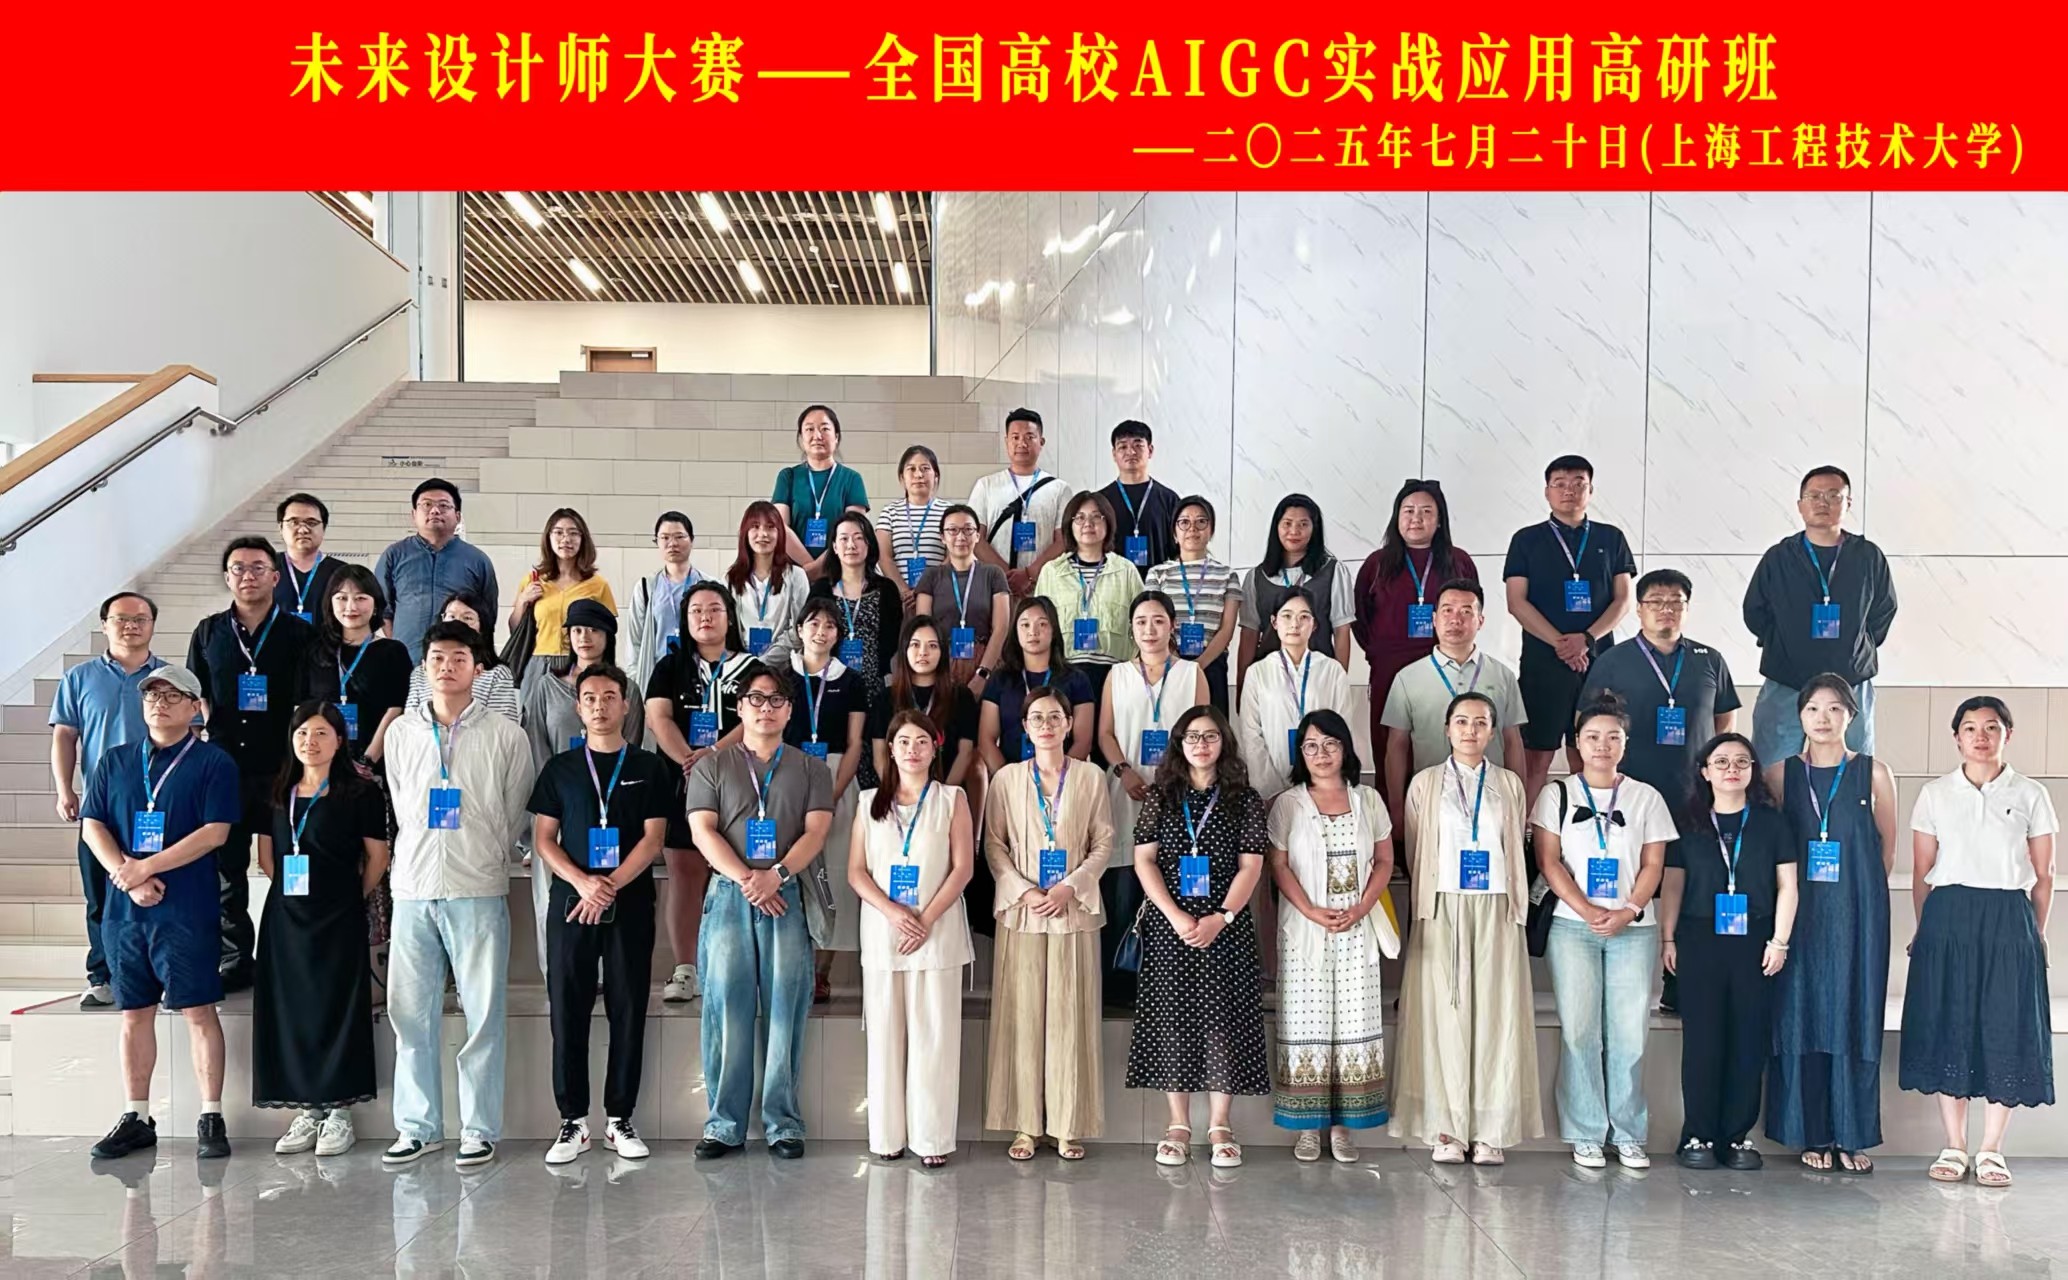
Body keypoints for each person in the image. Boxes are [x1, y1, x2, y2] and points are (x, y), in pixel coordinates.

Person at [380, 620, 533, 1169]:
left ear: (478, 667)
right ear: (424, 668)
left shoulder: (505, 735)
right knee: (409, 1014)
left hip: (477, 885)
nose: (447, 667)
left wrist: (486, 851)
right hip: (414, 887)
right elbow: (401, 803)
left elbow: (515, 808)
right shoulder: (401, 733)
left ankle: (478, 1128)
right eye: (438, 658)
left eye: (459, 658)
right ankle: (417, 1127)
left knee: (483, 1013)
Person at [80, 664, 241, 1161]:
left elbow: (215, 832)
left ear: (195, 708)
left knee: (198, 1010)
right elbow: (92, 824)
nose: (160, 704)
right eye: (152, 695)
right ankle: (136, 1116)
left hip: (186, 910)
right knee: (134, 1013)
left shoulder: (214, 762)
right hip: (125, 913)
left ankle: (211, 1115)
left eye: (173, 696)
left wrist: (146, 867)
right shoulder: (115, 760)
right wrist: (126, 876)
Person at [1902, 696, 2057, 1189]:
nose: (1981, 736)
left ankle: (1991, 1149)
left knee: (2005, 1024)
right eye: (1970, 728)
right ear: (1956, 738)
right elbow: (1922, 871)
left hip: (2009, 916)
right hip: (1947, 916)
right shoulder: (1935, 794)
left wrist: (2036, 933)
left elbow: (2045, 874)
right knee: (1950, 1021)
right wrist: (1924, 930)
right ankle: (1954, 1144)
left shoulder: (2030, 793)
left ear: (2008, 734)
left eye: (1992, 727)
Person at [687, 662, 836, 1160]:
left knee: (785, 1009)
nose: (765, 708)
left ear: (790, 710)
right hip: (731, 895)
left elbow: (817, 831)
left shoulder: (812, 769)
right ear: (739, 707)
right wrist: (749, 879)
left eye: (776, 700)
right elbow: (702, 831)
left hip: (786, 894)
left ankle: (783, 1123)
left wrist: (777, 874)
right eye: (756, 698)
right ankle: (723, 1124)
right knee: (725, 1006)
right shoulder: (712, 765)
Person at [528, 662, 671, 1167]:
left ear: (626, 705)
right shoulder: (560, 769)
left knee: (628, 1007)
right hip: (572, 904)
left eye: (610, 696)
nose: (600, 706)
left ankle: (618, 1118)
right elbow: (544, 840)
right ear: (578, 707)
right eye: (590, 698)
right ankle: (572, 1121)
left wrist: (608, 886)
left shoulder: (649, 767)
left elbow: (653, 839)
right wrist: (584, 883)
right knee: (567, 1009)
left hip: (628, 901)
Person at [1390, 691, 1541, 1165]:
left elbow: (1515, 847)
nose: (1470, 731)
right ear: (1446, 729)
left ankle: (1490, 1130)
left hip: (1496, 906)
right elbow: (1415, 847)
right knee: (1443, 1015)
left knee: (1496, 1014)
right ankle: (1447, 1128)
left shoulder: (1509, 784)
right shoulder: (1425, 784)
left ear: (1493, 732)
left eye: (1480, 723)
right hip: (1442, 906)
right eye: (1461, 721)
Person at [1531, 690, 1678, 1170]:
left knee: (1629, 1032)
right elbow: (1549, 862)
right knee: (1580, 1031)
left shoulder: (1646, 797)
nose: (1602, 745)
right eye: (1592, 736)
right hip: (1572, 927)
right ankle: (1587, 1131)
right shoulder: (1556, 795)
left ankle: (1629, 1132)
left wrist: (1629, 910)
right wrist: (1588, 908)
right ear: (1576, 743)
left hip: (1634, 930)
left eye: (1612, 737)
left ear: (1625, 744)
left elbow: (1654, 864)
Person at [1763, 673, 1897, 1174]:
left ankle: (1851, 1134)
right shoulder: (1780, 775)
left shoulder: (1874, 773)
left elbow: (1886, 849)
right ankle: (1811, 1132)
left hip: (1857, 911)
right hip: (1800, 913)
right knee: (1801, 1011)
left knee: (1853, 1011)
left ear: (1851, 716)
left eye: (1835, 708)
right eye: (1813, 708)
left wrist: (1857, 900)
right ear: (1799, 716)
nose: (1823, 718)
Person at [1128, 704, 1270, 1169]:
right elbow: (1144, 860)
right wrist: (1174, 916)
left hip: (1226, 927)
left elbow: (1251, 866)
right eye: (1192, 737)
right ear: (1179, 744)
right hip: (1172, 927)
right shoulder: (1161, 796)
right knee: (1174, 1019)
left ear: (1224, 742)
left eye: (1210, 736)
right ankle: (1178, 1124)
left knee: (1223, 1019)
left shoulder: (1244, 799)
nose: (1201, 744)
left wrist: (1221, 917)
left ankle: (1221, 1124)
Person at [983, 685, 1114, 1160]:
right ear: (1024, 726)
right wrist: (1025, 890)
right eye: (1037, 717)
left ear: (1069, 724)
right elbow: (994, 844)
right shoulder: (1006, 779)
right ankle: (1024, 1125)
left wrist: (1069, 887)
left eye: (1055, 716)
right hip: (1022, 912)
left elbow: (1104, 841)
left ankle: (1066, 1124)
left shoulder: (1091, 777)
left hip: (1072, 911)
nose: (1046, 725)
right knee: (1022, 1019)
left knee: (1070, 1019)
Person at [253, 701, 389, 1157]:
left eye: (320, 733)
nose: (310, 742)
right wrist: (296, 899)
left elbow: (378, 858)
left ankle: (339, 1111)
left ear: (339, 740)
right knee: (291, 1010)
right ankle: (307, 1109)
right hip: (285, 920)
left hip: (338, 916)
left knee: (337, 1008)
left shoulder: (360, 792)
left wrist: (349, 897)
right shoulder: (277, 790)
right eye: (302, 733)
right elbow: (267, 857)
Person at [1660, 733, 1796, 1171]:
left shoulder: (1772, 823)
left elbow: (1787, 886)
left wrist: (1779, 940)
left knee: (1748, 1040)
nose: (1731, 769)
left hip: (1757, 942)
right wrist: (1667, 938)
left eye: (1741, 761)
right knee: (1703, 1041)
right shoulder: (1689, 821)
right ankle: (1697, 1134)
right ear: (1704, 771)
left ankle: (1737, 1136)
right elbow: (1673, 884)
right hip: (1699, 939)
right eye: (1721, 762)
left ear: (1754, 770)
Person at [187, 535, 316, 992]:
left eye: (258, 567)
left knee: (290, 863)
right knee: (227, 869)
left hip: (283, 767)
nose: (248, 576)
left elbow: (310, 701)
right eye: (238, 568)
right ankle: (236, 958)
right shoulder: (208, 632)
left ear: (275, 576)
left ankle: (291, 954)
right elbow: (195, 694)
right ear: (227, 577)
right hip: (225, 769)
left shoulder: (300, 633)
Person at [1269, 710, 1396, 1163]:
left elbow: (1384, 860)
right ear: (1300, 754)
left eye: (1330, 744)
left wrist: (1361, 907)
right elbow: (1279, 865)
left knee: (1354, 1023)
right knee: (1306, 1023)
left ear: (1345, 748)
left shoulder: (1368, 800)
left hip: (1357, 926)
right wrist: (1310, 911)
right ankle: (1308, 1128)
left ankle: (1343, 1129)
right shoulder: (1288, 803)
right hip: (1306, 929)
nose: (1321, 754)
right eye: (1310, 746)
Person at [850, 711, 976, 1167]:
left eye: (922, 741)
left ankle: (932, 1139)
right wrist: (894, 913)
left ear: (935, 747)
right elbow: (856, 872)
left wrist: (925, 919)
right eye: (903, 741)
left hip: (936, 935)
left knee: (934, 1040)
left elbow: (963, 868)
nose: (912, 750)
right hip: (884, 934)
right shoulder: (868, 802)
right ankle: (886, 1136)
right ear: (890, 749)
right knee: (885, 1040)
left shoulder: (952, 798)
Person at [50, 591, 167, 1007]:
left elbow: (190, 736)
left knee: (160, 889)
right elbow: (65, 735)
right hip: (100, 807)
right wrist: (65, 789)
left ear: (152, 624)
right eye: (121, 618)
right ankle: (102, 974)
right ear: (104, 625)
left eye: (140, 618)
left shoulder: (170, 678)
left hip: (158, 803)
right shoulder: (79, 678)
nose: (131, 625)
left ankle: (159, 972)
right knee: (100, 894)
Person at [645, 580, 760, 1003]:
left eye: (714, 609)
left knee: (737, 872)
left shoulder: (752, 668)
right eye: (696, 611)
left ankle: (734, 966)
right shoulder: (670, 666)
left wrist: (711, 754)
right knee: (685, 873)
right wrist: (688, 761)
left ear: (730, 617)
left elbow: (756, 719)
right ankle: (686, 969)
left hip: (739, 780)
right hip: (680, 780)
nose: (705, 617)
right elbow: (658, 718)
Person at [1502, 454, 1637, 809]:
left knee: (1591, 753)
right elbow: (1516, 602)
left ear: (1591, 491)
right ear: (1546, 491)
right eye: (1559, 483)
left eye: (1579, 483)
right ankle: (1524, 833)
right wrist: (1562, 644)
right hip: (1543, 665)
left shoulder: (1611, 538)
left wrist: (1586, 640)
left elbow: (1623, 599)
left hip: (1598, 664)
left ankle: (1591, 828)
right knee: (1537, 757)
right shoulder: (1526, 540)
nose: (1569, 490)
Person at [520, 600, 645, 978]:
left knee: (608, 886)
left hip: (610, 807)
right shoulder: (546, 687)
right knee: (551, 893)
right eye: (576, 630)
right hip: (559, 806)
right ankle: (557, 972)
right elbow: (536, 745)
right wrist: (558, 794)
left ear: (608, 636)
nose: (584, 637)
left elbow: (631, 746)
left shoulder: (628, 689)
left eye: (593, 630)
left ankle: (606, 975)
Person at [1742, 465, 1899, 762]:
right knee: (1773, 766)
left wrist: (1856, 646)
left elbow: (1883, 610)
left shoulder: (1867, 556)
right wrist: (1782, 643)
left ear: (1848, 503)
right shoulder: (1779, 557)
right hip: (1786, 676)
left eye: (1833, 495)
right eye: (1813, 496)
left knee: (1855, 766)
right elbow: (1755, 611)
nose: (1822, 502)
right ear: (1800, 505)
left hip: (1851, 678)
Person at [1098, 591, 1208, 1004]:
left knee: (1173, 888)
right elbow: (1105, 733)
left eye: (1158, 620)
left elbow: (1205, 733)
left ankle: (1168, 986)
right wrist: (1123, 770)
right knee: (1123, 888)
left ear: (1172, 626)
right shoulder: (1117, 675)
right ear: (1131, 628)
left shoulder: (1192, 673)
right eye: (1141, 621)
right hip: (1126, 791)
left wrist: (1175, 779)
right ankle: (1119, 986)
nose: (1149, 629)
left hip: (1178, 795)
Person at [1578, 568, 1740, 801]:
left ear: (1687, 608)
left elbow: (1724, 717)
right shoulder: (1612, 660)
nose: (1666, 609)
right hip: (1630, 788)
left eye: (1676, 602)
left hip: (1695, 788)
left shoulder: (1710, 659)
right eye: (1655, 602)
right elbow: (1585, 721)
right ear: (1639, 609)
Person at [1380, 579, 1527, 827]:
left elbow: (1513, 742)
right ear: (1434, 619)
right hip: (1430, 800)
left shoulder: (1503, 676)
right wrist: (1396, 807)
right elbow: (1396, 746)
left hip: (1492, 800)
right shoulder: (1407, 678)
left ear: (1481, 621)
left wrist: (1519, 803)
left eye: (1466, 612)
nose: (1455, 619)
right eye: (1447, 610)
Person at [1355, 480, 1478, 761]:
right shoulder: (1377, 564)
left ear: (1439, 519)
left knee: (1443, 742)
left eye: (1426, 511)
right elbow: (1360, 618)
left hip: (1444, 667)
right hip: (1390, 669)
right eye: (1408, 510)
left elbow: (1471, 610)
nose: (1416, 518)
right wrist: (1379, 652)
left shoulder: (1459, 561)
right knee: (1390, 747)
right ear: (1397, 517)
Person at [786, 598, 870, 1003]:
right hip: (788, 778)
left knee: (834, 875)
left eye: (830, 626)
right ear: (800, 629)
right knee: (792, 872)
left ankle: (822, 972)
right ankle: (794, 966)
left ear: (839, 634)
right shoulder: (781, 676)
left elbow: (855, 744)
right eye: (814, 624)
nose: (821, 632)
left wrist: (831, 795)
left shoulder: (851, 681)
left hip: (837, 779)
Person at [1033, 491, 1143, 723]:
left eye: (1096, 517)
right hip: (1064, 673)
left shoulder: (1126, 571)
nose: (1088, 524)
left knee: (1109, 738)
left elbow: (1141, 623)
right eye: (1080, 517)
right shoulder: (1052, 572)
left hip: (1114, 674)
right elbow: (1040, 626)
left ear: (1108, 522)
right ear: (1069, 524)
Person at [1237, 590, 1354, 801]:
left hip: (1323, 785)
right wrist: (1271, 789)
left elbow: (1343, 731)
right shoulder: (1258, 672)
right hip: (1271, 789)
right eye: (1287, 616)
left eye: (1304, 617)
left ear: (1314, 624)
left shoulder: (1332, 670)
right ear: (1274, 622)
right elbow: (1250, 734)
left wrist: (1323, 783)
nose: (1295, 624)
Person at [373, 478, 500, 664]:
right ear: (414, 514)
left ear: (458, 516)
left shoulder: (477, 560)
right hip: (407, 662)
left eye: (443, 505)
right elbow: (382, 610)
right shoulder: (394, 555)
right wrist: (399, 647)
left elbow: (487, 616)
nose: (434, 511)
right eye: (426, 505)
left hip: (458, 665)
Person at [302, 563, 412, 767]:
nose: (351, 607)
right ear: (330, 603)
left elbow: (396, 709)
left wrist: (368, 760)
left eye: (360, 598)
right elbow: (303, 707)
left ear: (375, 604)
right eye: (342, 598)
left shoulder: (393, 651)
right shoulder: (316, 651)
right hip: (322, 763)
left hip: (376, 763)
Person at [1143, 496, 1242, 712]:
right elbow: (1153, 621)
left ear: (1211, 530)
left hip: (1212, 664)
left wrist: (1199, 665)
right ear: (1174, 533)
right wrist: (1177, 663)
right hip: (1168, 663)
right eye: (1184, 522)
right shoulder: (1157, 574)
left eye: (1201, 522)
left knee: (1211, 726)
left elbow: (1227, 629)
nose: (1192, 529)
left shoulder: (1227, 575)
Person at [808, 511, 904, 734]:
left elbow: (893, 641)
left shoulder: (886, 589)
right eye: (844, 538)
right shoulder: (822, 589)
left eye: (858, 538)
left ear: (869, 544)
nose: (851, 545)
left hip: (874, 684)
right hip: (829, 683)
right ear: (834, 546)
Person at [1239, 494, 1354, 675]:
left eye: (1303, 524)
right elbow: (1249, 636)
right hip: (1269, 678)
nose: (1294, 531)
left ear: (1314, 529)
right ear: (1276, 527)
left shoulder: (1333, 571)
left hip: (1318, 675)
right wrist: (1242, 685)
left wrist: (1340, 680)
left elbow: (1341, 631)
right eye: (1287, 523)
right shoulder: (1256, 577)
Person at [968, 407, 1077, 596]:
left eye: (1029, 437)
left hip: (1043, 587)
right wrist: (1007, 576)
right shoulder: (986, 485)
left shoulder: (1060, 489)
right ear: (1006, 442)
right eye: (1015, 437)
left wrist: (1029, 574)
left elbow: (1064, 540)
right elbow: (975, 538)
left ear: (1041, 442)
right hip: (996, 587)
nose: (1022, 443)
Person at [979, 597, 1096, 772]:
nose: (1032, 632)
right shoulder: (1000, 679)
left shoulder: (1077, 679)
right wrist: (1009, 779)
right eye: (1025, 625)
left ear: (1054, 630)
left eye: (1042, 624)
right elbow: (986, 740)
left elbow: (1083, 742)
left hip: (1063, 779)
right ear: (1015, 631)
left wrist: (1060, 778)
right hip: (1011, 778)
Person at [914, 503, 1011, 697]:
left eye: (968, 530)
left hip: (985, 661)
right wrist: (936, 673)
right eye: (953, 530)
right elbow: (923, 628)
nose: (961, 537)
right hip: (941, 663)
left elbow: (1001, 628)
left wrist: (982, 674)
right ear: (942, 537)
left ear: (977, 535)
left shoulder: (993, 574)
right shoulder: (931, 576)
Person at [511, 507, 616, 685]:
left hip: (581, 663)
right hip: (539, 663)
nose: (566, 539)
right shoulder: (533, 580)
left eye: (573, 533)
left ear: (583, 539)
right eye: (559, 532)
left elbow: (608, 633)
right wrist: (522, 601)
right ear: (548, 537)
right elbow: (515, 628)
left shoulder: (598, 585)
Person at [772, 403, 868, 576]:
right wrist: (808, 568)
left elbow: (853, 531)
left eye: (824, 429)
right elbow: (780, 527)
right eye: (809, 429)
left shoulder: (852, 479)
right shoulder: (788, 477)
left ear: (836, 437)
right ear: (801, 438)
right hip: (794, 574)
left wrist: (819, 568)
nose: (817, 436)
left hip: (838, 573)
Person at [402, 590, 521, 721]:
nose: (457, 623)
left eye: (467, 618)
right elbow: (409, 723)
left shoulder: (497, 674)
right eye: (451, 616)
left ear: (482, 627)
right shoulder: (420, 673)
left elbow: (504, 726)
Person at [624, 511, 705, 692]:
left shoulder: (708, 585)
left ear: (692, 540)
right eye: (665, 537)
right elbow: (635, 640)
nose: (672, 543)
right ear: (657, 542)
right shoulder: (646, 587)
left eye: (679, 537)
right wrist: (636, 680)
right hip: (656, 675)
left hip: (698, 673)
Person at [727, 500, 814, 667]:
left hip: (784, 668)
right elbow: (729, 630)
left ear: (780, 533)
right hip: (742, 668)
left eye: (770, 527)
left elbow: (799, 630)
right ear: (745, 532)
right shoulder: (731, 579)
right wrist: (746, 664)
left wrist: (764, 662)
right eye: (755, 526)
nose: (763, 534)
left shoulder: (796, 576)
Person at [1097, 420, 1182, 571]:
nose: (1131, 452)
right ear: (1114, 454)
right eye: (1123, 446)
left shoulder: (1169, 499)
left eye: (1138, 445)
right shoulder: (1100, 501)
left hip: (1158, 582)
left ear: (1150, 450)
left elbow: (1179, 550)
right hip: (1113, 581)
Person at [876, 444, 949, 603]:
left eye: (925, 469)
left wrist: (925, 589)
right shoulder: (890, 512)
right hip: (899, 598)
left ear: (936, 476)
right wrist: (904, 591)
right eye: (911, 469)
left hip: (937, 594)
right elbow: (883, 557)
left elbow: (952, 556)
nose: (918, 475)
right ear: (902, 478)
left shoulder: (949, 512)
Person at [274, 492, 342, 624]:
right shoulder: (264, 568)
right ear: (281, 527)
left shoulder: (342, 572)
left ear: (324, 528)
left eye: (311, 523)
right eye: (294, 522)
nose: (303, 530)